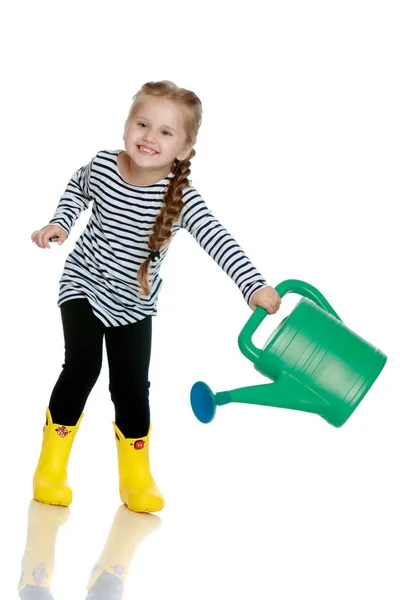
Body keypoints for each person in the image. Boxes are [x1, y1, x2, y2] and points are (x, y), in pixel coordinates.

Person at [31, 80, 281, 514]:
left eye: (166, 132)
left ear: (184, 149)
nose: (150, 137)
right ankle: (50, 467)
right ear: (126, 126)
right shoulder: (105, 166)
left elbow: (219, 240)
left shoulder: (181, 198)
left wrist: (253, 284)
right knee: (82, 367)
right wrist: (60, 223)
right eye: (142, 124)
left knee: (131, 388)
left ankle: (136, 475)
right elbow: (77, 188)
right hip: (84, 285)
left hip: (134, 303)